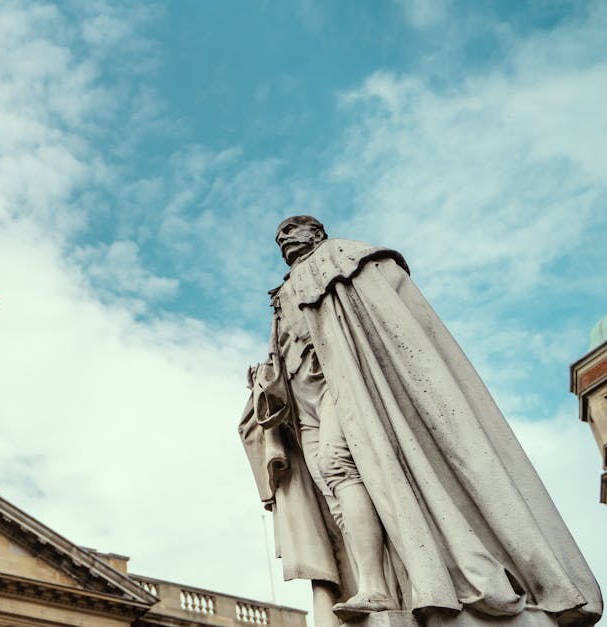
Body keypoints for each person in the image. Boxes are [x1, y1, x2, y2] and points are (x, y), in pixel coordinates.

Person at [240, 216, 601, 627]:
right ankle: (375, 581)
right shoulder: (282, 294)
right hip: (303, 407)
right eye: (279, 236)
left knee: (340, 466)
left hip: (347, 387)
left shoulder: (346, 258)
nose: (284, 238)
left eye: (293, 230)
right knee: (333, 492)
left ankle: (380, 584)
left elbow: (387, 326)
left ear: (316, 233)